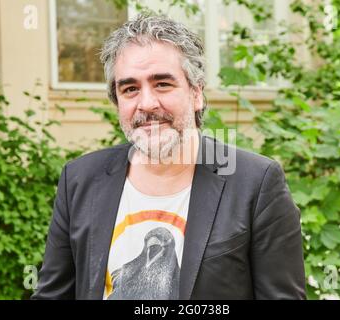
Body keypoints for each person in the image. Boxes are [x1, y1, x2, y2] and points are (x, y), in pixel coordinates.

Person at [32, 14, 306, 300]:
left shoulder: (255, 183)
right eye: (130, 89)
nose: (147, 103)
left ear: (196, 93)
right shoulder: (80, 180)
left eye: (162, 84)